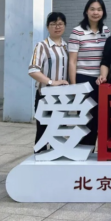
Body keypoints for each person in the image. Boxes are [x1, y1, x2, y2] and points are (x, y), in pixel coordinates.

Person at [68, 0, 110, 147]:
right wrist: (74, 86)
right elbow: (72, 61)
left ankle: (93, 152)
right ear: (86, 11)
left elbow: (107, 58)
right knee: (85, 118)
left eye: (99, 9)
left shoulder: (106, 31)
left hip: (101, 81)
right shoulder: (77, 32)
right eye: (92, 9)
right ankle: (83, 151)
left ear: (103, 12)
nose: (95, 12)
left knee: (99, 118)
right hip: (83, 79)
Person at [29, 12, 69, 149]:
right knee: (43, 132)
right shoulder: (42, 46)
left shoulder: (66, 46)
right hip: (45, 96)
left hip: (63, 98)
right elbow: (33, 70)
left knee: (59, 133)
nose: (57, 27)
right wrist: (51, 82)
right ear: (47, 27)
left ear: (64, 26)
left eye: (60, 24)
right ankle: (39, 158)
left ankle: (56, 160)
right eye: (53, 24)